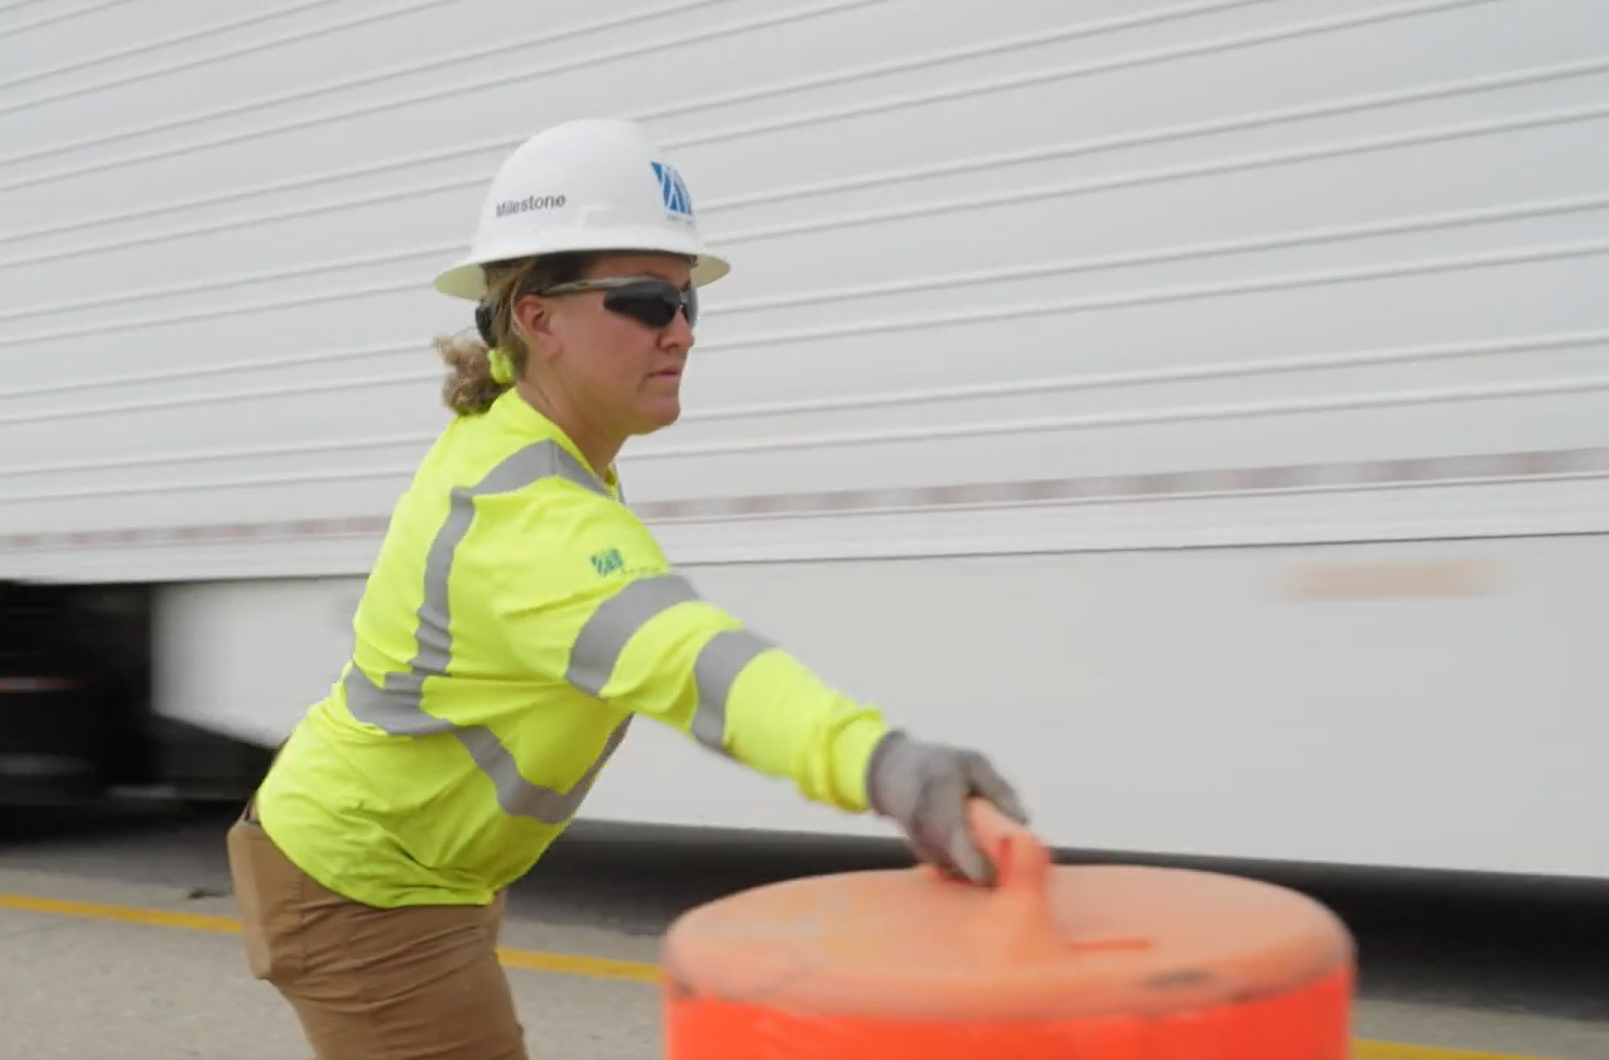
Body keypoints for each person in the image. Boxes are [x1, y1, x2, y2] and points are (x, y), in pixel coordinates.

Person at [225, 117, 1027, 1060]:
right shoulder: (526, 515)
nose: (681, 332)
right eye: (647, 301)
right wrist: (885, 765)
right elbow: (693, 662)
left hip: (414, 865)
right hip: (365, 883)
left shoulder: (531, 441)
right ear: (535, 317)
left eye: (690, 303)